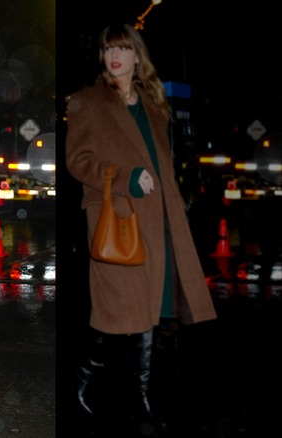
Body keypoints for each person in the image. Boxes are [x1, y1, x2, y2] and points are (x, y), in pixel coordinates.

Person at [64, 23, 217, 436]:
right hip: (120, 221)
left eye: (122, 48)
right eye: (107, 48)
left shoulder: (153, 102)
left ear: (136, 56)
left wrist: (176, 206)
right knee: (117, 316)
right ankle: (81, 380)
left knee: (150, 313)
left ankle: (141, 396)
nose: (114, 56)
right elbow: (78, 161)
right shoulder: (88, 101)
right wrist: (125, 177)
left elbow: (163, 165)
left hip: (160, 220)